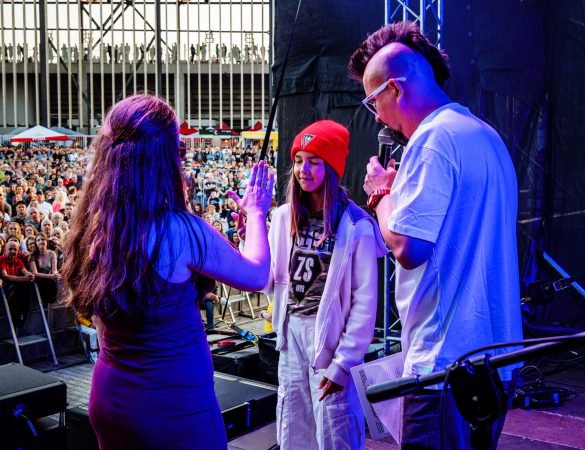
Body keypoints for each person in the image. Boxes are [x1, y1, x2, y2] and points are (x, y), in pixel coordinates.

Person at [62, 94, 274, 450]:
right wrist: (255, 214)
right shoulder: (178, 231)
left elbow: (100, 324)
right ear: (165, 158)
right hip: (174, 408)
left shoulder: (94, 229)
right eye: (179, 149)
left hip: (111, 398)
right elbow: (256, 275)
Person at [348, 21, 523, 448]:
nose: (378, 116)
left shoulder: (430, 141)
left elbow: (408, 247)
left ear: (394, 89)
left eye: (374, 102)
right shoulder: (485, 135)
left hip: (445, 366)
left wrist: (381, 194)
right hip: (495, 360)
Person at [244, 120, 387, 450]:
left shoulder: (356, 226)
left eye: (313, 161)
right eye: (297, 160)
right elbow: (268, 282)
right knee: (293, 428)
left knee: (335, 429)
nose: (302, 170)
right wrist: (252, 234)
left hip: (331, 341)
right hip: (291, 335)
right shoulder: (284, 217)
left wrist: (344, 362)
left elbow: (365, 303)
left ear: (331, 167)